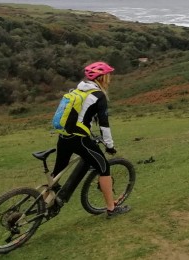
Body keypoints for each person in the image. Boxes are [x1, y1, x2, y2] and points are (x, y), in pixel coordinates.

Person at [51, 61, 131, 218]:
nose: (110, 79)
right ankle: (111, 209)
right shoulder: (98, 96)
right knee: (104, 167)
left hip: (64, 137)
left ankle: (47, 203)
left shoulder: (78, 90)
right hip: (79, 139)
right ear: (102, 78)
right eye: (108, 76)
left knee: (58, 171)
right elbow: (104, 124)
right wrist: (109, 145)